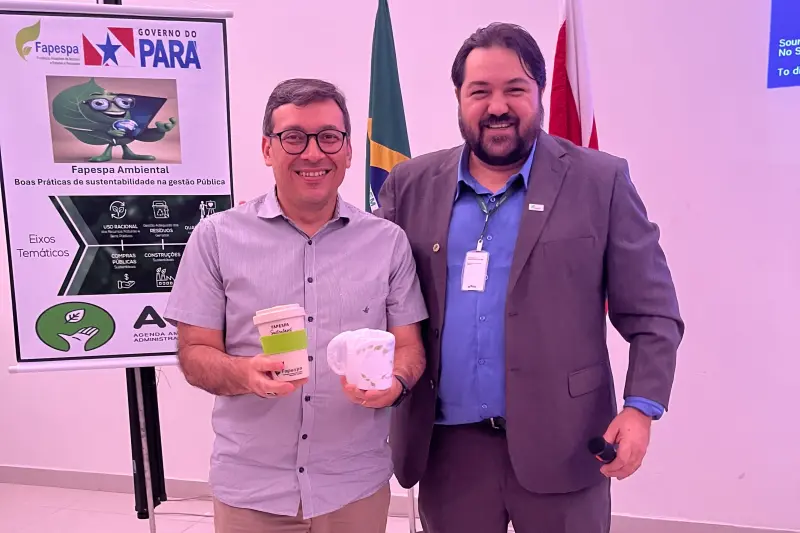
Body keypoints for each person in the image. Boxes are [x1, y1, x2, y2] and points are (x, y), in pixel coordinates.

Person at [377, 23, 684, 533]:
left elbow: (653, 312)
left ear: (539, 92)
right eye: (480, 91)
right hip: (448, 452)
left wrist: (640, 408)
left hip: (567, 445)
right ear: (459, 98)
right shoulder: (410, 185)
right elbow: (379, 299)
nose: (497, 106)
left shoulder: (599, 181)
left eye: (515, 89)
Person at [164, 78, 428, 533]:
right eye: (293, 138)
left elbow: (409, 346)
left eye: (329, 137)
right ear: (267, 149)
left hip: (354, 488)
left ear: (349, 150)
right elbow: (193, 353)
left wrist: (397, 384)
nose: (312, 153)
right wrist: (244, 374)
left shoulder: (388, 242)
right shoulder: (216, 238)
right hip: (253, 492)